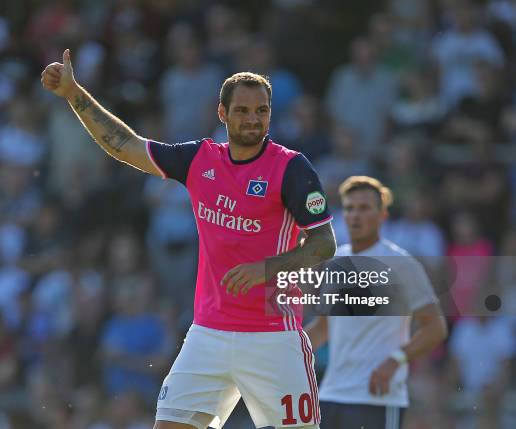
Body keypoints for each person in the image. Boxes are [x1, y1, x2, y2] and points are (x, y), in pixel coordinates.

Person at [41, 50, 336, 429]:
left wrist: (267, 269)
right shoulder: (200, 159)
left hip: (273, 338)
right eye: (243, 110)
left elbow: (323, 243)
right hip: (208, 334)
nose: (252, 119)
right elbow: (124, 144)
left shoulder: (291, 167)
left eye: (261, 111)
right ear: (222, 114)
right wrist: (73, 93)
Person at [305, 176, 447, 429]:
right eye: (349, 208)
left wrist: (396, 360)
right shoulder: (336, 262)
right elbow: (324, 328)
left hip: (377, 397)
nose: (355, 215)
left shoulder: (401, 263)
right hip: (330, 395)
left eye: (364, 208)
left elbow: (435, 327)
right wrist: (286, 350)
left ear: (382, 215)